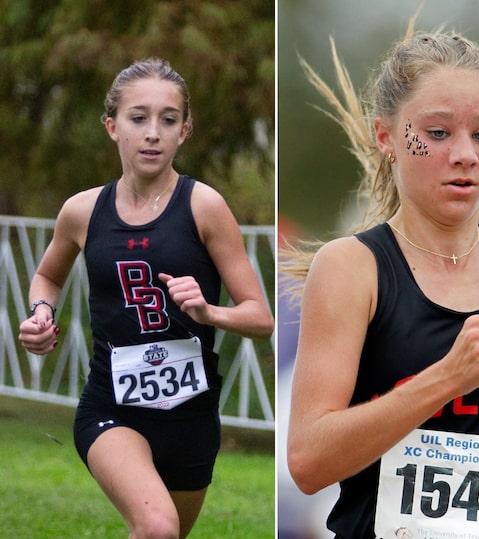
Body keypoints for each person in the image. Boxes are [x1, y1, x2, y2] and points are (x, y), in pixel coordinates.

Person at [280, 20, 479, 539]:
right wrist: (446, 378)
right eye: (437, 132)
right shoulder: (351, 269)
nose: (465, 155)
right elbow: (308, 461)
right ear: (387, 135)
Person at [17, 58, 274, 539]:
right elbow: (47, 277)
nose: (153, 133)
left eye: (168, 119)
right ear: (113, 127)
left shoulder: (205, 207)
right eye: (139, 118)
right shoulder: (81, 211)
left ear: (185, 130)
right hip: (111, 405)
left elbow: (261, 317)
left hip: (191, 413)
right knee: (157, 526)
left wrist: (207, 311)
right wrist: (41, 313)